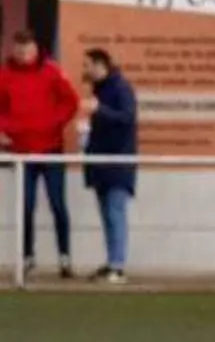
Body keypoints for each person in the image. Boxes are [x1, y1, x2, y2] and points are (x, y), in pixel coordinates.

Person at [0, 30, 81, 279]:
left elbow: (71, 102)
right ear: (13, 49)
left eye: (27, 49)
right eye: (19, 49)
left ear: (35, 48)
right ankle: (27, 257)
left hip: (51, 150)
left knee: (58, 204)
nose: (23, 54)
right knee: (25, 206)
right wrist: (6, 130)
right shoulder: (4, 75)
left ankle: (65, 258)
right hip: (22, 153)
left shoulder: (51, 72)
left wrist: (52, 124)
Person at [83, 47, 138, 285]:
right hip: (101, 164)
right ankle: (111, 262)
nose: (85, 70)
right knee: (107, 215)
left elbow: (127, 118)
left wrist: (100, 110)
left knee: (115, 213)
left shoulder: (120, 88)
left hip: (118, 163)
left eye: (87, 65)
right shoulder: (100, 89)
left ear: (100, 65)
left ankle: (117, 265)